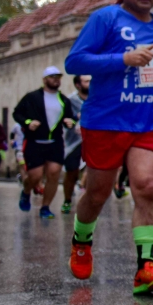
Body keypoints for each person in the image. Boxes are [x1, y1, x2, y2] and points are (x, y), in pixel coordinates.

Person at [64, 0, 153, 295]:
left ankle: (146, 268)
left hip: (148, 118)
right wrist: (124, 58)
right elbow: (75, 62)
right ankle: (82, 242)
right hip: (105, 120)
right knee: (97, 194)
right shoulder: (105, 18)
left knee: (147, 186)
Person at [12, 67, 77, 219]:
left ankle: (45, 207)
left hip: (55, 142)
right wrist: (28, 122)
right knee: (35, 176)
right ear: (44, 79)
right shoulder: (32, 97)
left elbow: (70, 117)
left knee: (54, 174)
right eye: (52, 77)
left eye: (58, 77)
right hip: (35, 142)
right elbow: (17, 113)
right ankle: (26, 191)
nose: (56, 80)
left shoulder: (64, 99)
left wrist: (70, 122)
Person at [61, 75, 90, 214]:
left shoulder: (97, 99)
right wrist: (71, 121)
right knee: (72, 172)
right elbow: (64, 118)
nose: (91, 83)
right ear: (78, 85)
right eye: (87, 81)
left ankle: (89, 202)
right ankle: (67, 200)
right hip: (74, 141)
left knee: (94, 170)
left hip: (93, 140)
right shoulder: (70, 100)